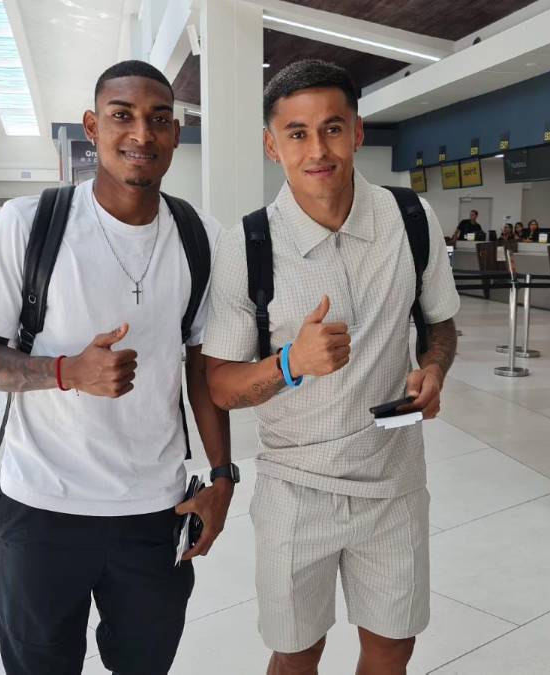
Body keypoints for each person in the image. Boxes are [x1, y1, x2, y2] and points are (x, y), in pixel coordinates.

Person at [0, 60, 232, 675]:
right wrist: (67, 372)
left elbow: (202, 368)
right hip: (41, 506)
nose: (142, 133)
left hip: (155, 510)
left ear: (176, 132)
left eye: (159, 119)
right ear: (91, 126)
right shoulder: (29, 223)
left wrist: (222, 476)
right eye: (122, 115)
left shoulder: (201, 237)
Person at [203, 60, 460, 675]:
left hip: (394, 480)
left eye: (332, 128)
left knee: (394, 644)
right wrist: (292, 362)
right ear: (272, 145)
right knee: (296, 652)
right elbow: (220, 386)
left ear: (358, 132)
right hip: (295, 486)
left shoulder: (410, 219)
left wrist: (433, 369)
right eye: (296, 133)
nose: (317, 150)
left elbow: (440, 326)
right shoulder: (247, 246)